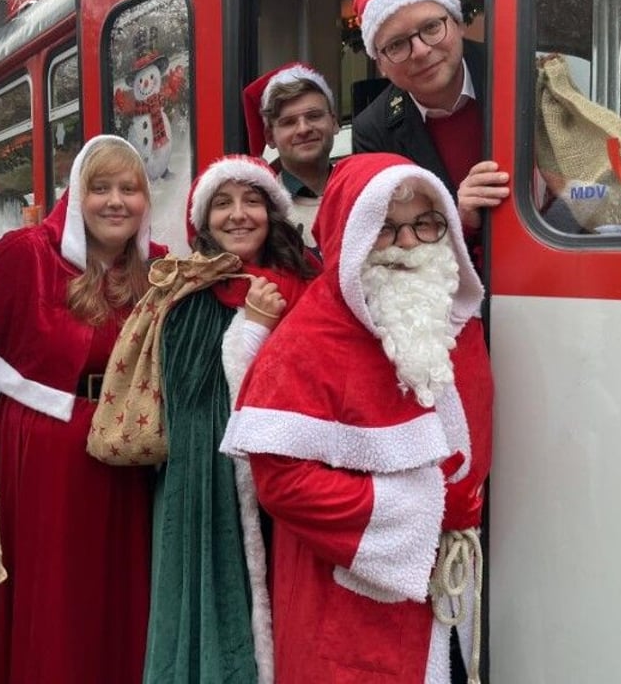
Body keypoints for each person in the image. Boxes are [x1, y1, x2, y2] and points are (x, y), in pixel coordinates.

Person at [220, 152, 494, 684]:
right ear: (353, 235)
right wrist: (424, 510)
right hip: (349, 592)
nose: (410, 243)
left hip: (447, 589)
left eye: (426, 223)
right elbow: (282, 483)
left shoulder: (452, 317)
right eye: (387, 229)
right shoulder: (308, 340)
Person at [0, 135, 168, 684]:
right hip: (47, 450)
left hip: (132, 449)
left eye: (130, 189)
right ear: (75, 196)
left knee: (125, 586)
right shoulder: (25, 254)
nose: (116, 201)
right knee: (57, 592)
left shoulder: (161, 271)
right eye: (100, 188)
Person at [144, 156, 318, 684]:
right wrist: (254, 327)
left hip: (298, 476)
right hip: (215, 486)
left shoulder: (309, 283)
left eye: (252, 201)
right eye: (223, 203)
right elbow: (195, 401)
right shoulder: (188, 291)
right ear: (203, 221)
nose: (239, 215)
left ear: (273, 211)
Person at [351, 0, 509, 253]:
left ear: (459, 23)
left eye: (431, 27)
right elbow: (391, 241)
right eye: (397, 45)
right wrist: (459, 217)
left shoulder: (515, 73)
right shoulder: (373, 130)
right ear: (381, 65)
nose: (421, 50)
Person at [243, 62, 340, 249]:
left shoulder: (364, 192)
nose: (303, 129)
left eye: (314, 116)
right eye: (288, 122)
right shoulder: (258, 211)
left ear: (334, 123)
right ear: (269, 137)